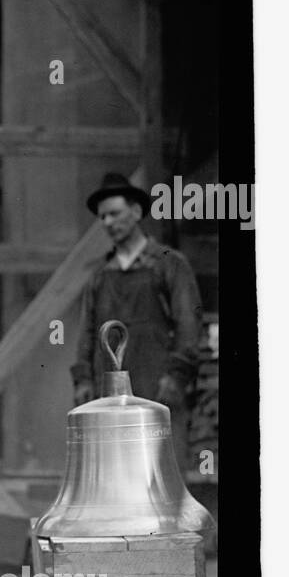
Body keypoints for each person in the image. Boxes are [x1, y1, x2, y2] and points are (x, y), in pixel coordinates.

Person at [71, 171, 203, 467]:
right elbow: (87, 332)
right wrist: (82, 381)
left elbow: (188, 325)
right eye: (102, 217)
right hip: (111, 402)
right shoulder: (100, 276)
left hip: (159, 392)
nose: (107, 223)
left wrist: (175, 378)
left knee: (163, 482)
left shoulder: (168, 264)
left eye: (114, 214)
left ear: (137, 211)